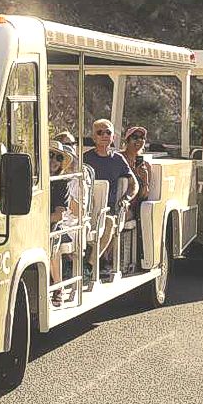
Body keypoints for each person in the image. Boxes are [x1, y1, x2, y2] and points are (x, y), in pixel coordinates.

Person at [83, 119, 138, 282]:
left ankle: (90, 266)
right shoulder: (85, 159)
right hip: (86, 210)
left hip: (109, 211)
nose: (104, 136)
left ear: (113, 137)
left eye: (108, 132)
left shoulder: (119, 160)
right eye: (100, 133)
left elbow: (133, 184)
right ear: (94, 137)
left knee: (107, 222)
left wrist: (126, 199)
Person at [48, 140, 82, 306]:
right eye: (50, 155)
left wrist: (39, 222)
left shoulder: (63, 183)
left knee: (51, 238)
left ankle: (58, 286)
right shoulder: (31, 179)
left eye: (59, 157)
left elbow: (59, 215)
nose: (54, 160)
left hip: (52, 226)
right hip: (27, 224)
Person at [120, 126, 152, 262]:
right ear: (127, 140)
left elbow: (144, 195)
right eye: (135, 137)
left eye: (142, 138)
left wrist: (144, 179)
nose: (139, 140)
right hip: (118, 202)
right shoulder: (119, 158)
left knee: (125, 216)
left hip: (133, 207)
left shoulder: (146, 165)